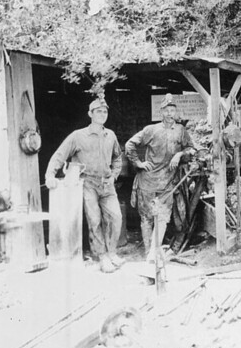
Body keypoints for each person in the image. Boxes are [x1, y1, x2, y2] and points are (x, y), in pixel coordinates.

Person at [45, 97, 124, 273]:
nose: (102, 114)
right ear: (90, 114)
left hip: (107, 183)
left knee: (116, 217)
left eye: (105, 111)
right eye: (98, 111)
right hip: (88, 182)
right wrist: (50, 174)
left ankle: (112, 252)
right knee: (94, 220)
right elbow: (60, 155)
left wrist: (114, 175)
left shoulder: (110, 135)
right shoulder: (78, 136)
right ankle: (101, 256)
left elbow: (118, 157)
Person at [125, 93, 197, 262]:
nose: (170, 114)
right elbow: (130, 145)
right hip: (148, 181)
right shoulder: (151, 130)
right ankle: (148, 253)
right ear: (161, 112)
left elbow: (192, 150)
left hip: (167, 183)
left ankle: (154, 253)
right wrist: (139, 163)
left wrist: (179, 154)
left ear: (175, 112)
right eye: (166, 110)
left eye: (172, 110)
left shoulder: (181, 130)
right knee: (147, 218)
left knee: (163, 216)